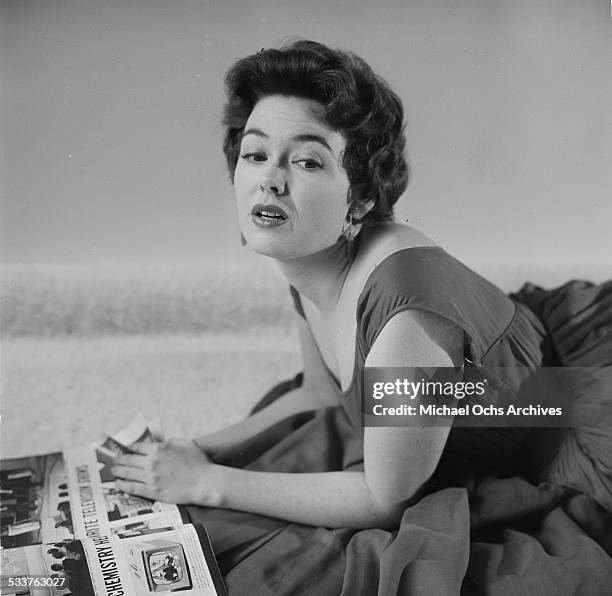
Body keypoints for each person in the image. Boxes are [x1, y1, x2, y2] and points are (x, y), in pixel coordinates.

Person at [112, 40, 612, 594]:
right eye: (255, 155)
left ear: (360, 201)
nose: (270, 180)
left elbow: (384, 497)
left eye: (306, 161)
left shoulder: (407, 317)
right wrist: (199, 448)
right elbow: (321, 394)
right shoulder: (307, 258)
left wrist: (207, 482)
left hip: (570, 424)